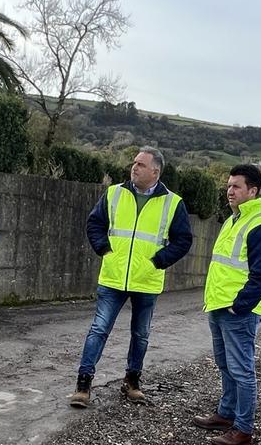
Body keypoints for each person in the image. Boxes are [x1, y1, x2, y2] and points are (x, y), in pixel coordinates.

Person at [69, 147, 193, 408]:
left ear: (155, 171)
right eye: (134, 162)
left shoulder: (173, 203)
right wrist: (104, 250)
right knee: (99, 329)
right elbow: (94, 224)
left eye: (140, 164)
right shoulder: (114, 193)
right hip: (113, 277)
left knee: (141, 334)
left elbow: (183, 241)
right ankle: (83, 385)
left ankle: (132, 381)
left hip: (147, 280)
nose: (133, 167)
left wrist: (158, 261)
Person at [192, 164, 261, 445]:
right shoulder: (234, 220)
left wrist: (239, 306)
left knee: (242, 370)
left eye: (236, 186)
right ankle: (226, 414)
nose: (229, 191)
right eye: (229, 185)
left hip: (237, 312)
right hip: (218, 306)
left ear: (252, 191)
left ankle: (243, 428)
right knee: (225, 364)